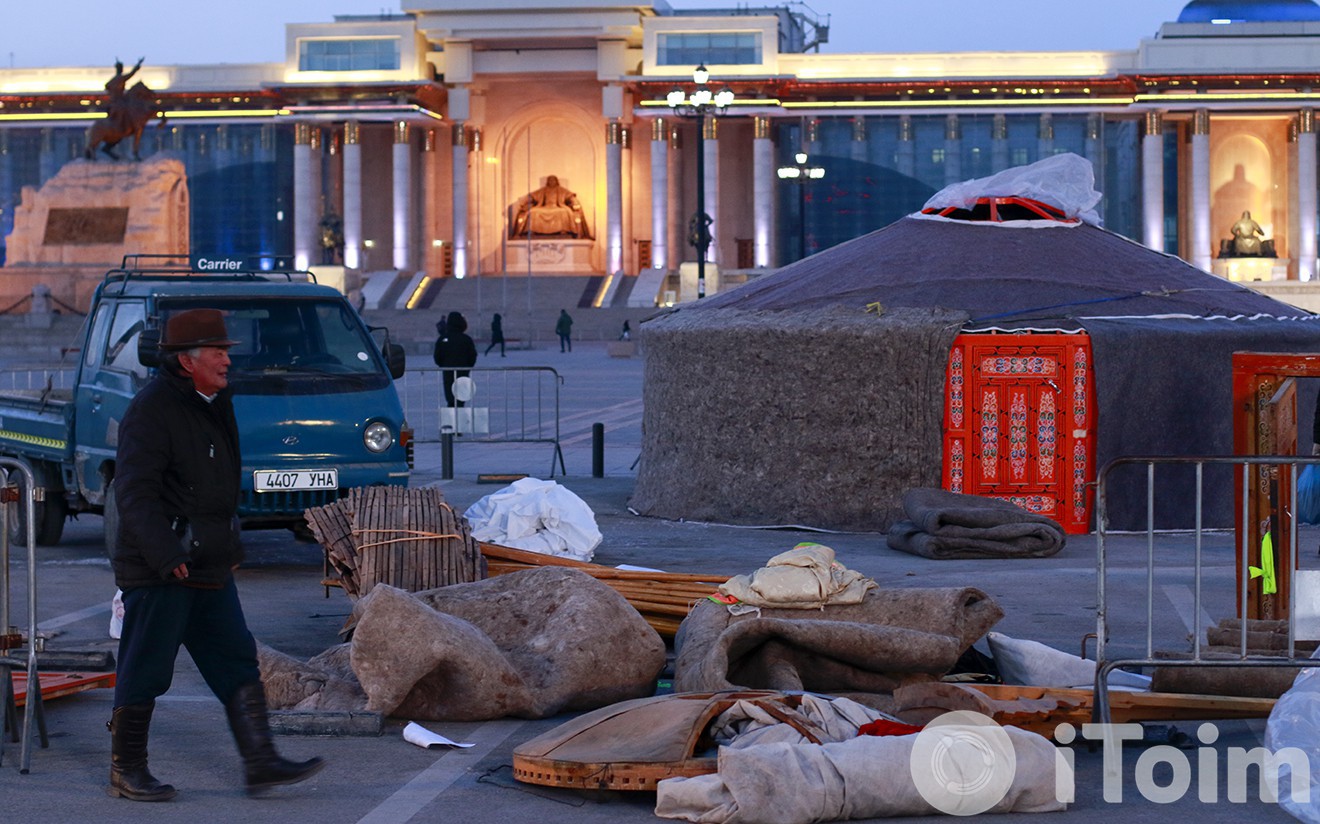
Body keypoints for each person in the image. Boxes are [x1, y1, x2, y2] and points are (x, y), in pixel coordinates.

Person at [109, 308, 324, 802]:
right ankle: (126, 768)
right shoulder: (151, 410)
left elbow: (221, 486)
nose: (229, 360)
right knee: (146, 668)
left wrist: (231, 544)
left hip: (208, 564)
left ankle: (261, 762)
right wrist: (165, 554)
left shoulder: (215, 401)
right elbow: (134, 493)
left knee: (236, 661)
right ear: (187, 361)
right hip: (161, 567)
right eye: (219, 352)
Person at [510, 175, 592, 239]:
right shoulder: (543, 190)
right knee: (533, 212)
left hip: (558, 207)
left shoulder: (561, 190)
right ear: (547, 181)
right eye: (550, 180)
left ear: (556, 181)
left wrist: (575, 203)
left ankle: (563, 231)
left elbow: (570, 197)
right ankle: (532, 231)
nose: (551, 181)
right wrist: (523, 202)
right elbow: (532, 196)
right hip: (545, 207)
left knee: (564, 212)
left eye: (553, 180)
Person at [433, 310, 477, 407]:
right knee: (461, 400)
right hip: (463, 372)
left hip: (448, 371)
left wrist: (444, 364)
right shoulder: (466, 339)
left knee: (450, 399)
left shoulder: (442, 339)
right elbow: (472, 357)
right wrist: (467, 366)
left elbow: (437, 357)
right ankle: (460, 419)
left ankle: (451, 420)